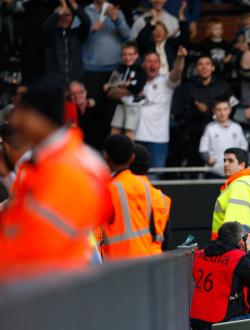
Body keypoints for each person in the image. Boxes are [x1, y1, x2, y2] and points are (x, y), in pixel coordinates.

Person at [0, 83, 113, 279]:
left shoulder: (70, 167)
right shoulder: (45, 162)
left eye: (23, 113)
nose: (16, 121)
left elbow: (43, 243)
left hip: (53, 290)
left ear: (41, 118)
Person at [211, 148, 250, 271]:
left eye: (230, 161)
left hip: (236, 258)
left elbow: (232, 227)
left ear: (242, 165)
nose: (225, 164)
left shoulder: (239, 186)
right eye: (224, 160)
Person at [102, 134, 154, 259]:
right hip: (146, 259)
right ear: (132, 158)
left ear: (105, 156)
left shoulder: (108, 189)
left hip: (120, 263)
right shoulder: (145, 186)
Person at [135, 46, 187, 168]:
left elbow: (177, 73)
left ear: (160, 65)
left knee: (155, 178)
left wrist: (179, 58)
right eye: (149, 61)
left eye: (155, 62)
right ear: (143, 64)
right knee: (135, 178)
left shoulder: (166, 82)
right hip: (135, 139)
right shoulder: (134, 80)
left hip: (158, 141)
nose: (152, 65)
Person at [82, 0, 130, 124]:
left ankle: (111, 142)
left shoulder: (117, 12)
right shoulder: (85, 12)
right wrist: (91, 30)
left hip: (115, 69)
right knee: (93, 109)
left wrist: (116, 19)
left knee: (113, 112)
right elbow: (75, 38)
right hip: (91, 69)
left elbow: (128, 37)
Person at [180, 55, 232, 166]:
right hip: (195, 134)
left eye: (207, 64)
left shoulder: (223, 86)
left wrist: (208, 111)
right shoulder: (189, 87)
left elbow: (233, 106)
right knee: (193, 166)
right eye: (200, 64)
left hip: (220, 134)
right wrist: (197, 110)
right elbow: (183, 112)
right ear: (196, 68)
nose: (204, 67)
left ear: (213, 67)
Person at [130, 144, 172, 253]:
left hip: (129, 260)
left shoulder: (123, 192)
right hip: (156, 260)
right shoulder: (162, 198)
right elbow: (166, 241)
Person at [42, 0, 91, 87]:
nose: (65, 18)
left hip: (75, 82)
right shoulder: (50, 35)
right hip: (55, 83)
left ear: (72, 17)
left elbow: (87, 23)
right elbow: (47, 27)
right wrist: (61, 9)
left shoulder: (77, 34)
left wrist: (73, 4)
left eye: (68, 15)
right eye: (62, 15)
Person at [104, 42, 147, 139]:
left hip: (133, 105)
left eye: (130, 54)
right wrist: (112, 85)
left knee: (129, 131)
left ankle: (128, 152)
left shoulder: (140, 70)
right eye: (124, 54)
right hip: (120, 103)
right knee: (115, 128)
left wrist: (123, 87)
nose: (127, 58)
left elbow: (138, 88)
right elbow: (110, 86)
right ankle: (112, 151)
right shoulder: (120, 68)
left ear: (136, 55)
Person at [199, 97, 248, 178]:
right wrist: (208, 159)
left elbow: (244, 146)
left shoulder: (237, 127)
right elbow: (203, 149)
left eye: (225, 109)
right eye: (219, 109)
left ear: (230, 110)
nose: (222, 113)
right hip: (215, 171)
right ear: (214, 111)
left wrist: (239, 160)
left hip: (235, 172)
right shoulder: (209, 128)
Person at [69, 80, 109, 151]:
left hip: (97, 151)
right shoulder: (69, 112)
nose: (77, 95)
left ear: (85, 92)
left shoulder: (97, 108)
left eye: (80, 92)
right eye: (73, 93)